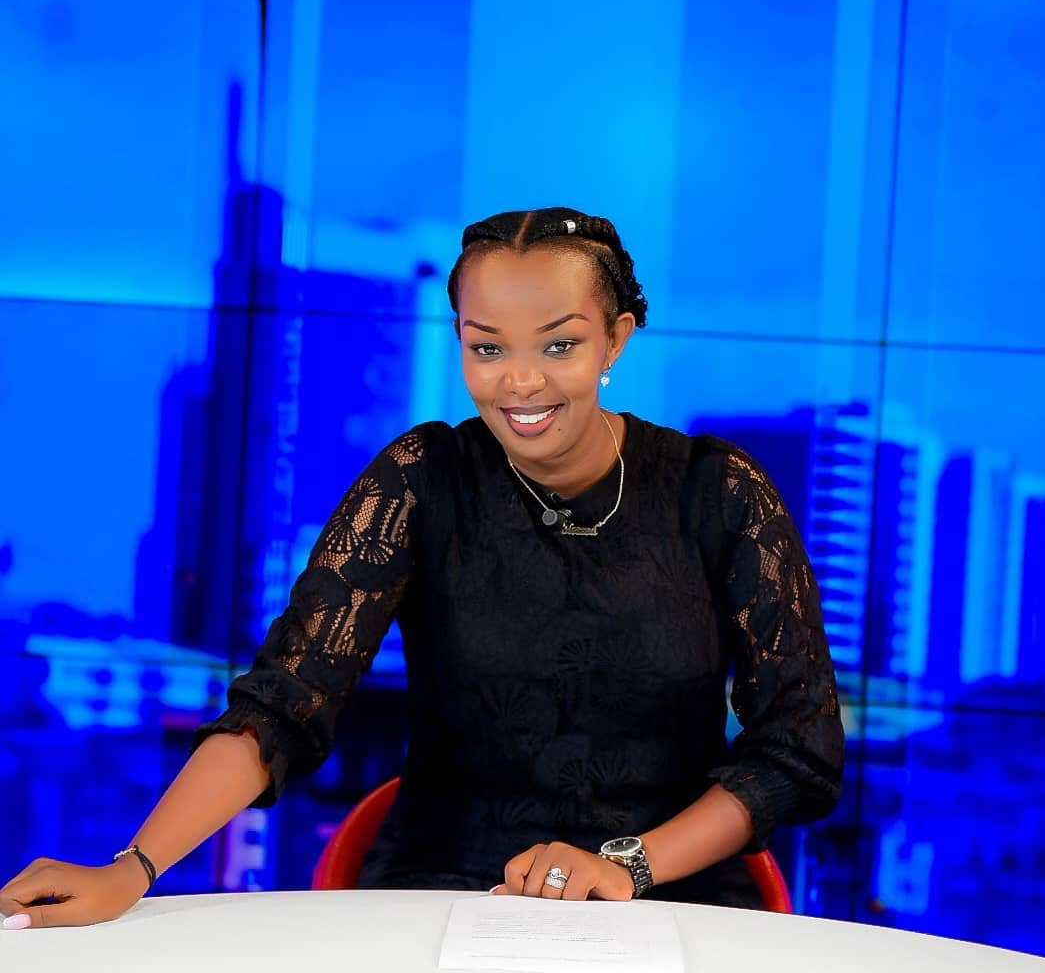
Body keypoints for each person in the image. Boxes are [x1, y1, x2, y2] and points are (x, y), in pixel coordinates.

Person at [0, 207, 844, 928]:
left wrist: (628, 863)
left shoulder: (719, 492)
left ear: (616, 338)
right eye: (488, 349)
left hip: (668, 899)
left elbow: (796, 748)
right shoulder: (420, 478)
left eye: (559, 344)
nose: (520, 382)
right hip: (445, 893)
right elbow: (283, 704)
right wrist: (133, 869)